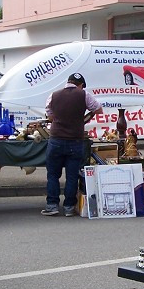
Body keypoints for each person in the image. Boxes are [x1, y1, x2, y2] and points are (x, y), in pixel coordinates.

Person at [42, 72, 102, 216]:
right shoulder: (84, 95)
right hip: (75, 140)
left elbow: (50, 115)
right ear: (80, 85)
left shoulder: (54, 95)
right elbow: (98, 109)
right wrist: (84, 118)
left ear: (68, 82)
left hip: (56, 139)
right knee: (72, 175)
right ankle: (69, 207)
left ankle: (52, 205)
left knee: (53, 175)